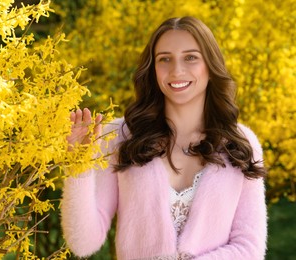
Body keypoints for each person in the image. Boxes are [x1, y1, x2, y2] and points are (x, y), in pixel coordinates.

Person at [61, 16, 267, 260]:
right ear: (153, 69)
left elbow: (249, 249)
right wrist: (78, 166)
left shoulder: (241, 144)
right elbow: (83, 243)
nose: (176, 70)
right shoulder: (119, 137)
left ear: (210, 67)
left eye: (190, 57)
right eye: (165, 59)